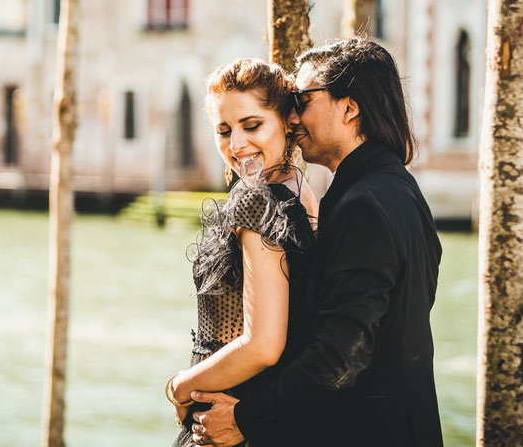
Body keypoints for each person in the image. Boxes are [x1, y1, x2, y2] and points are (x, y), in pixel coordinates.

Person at [188, 38, 443, 446]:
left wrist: (238, 415)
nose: (293, 118)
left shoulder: (363, 204)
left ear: (349, 106)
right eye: (223, 129)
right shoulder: (400, 191)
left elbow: (339, 358)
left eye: (303, 100)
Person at [166, 58, 319, 447]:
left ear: (287, 121)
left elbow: (263, 344)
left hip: (225, 417)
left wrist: (180, 385)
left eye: (252, 126)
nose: (236, 145)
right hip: (270, 418)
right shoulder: (304, 194)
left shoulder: (254, 200)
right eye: (223, 130)